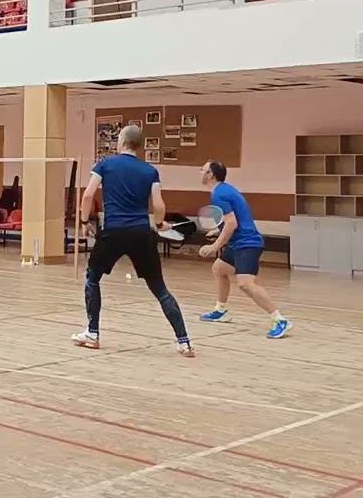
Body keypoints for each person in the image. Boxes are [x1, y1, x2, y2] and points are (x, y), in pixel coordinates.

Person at [74, 125, 194, 357]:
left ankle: (92, 333)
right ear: (139, 145)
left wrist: (84, 221)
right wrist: (159, 223)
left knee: (92, 278)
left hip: (113, 232)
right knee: (159, 288)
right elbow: (158, 204)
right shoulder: (150, 171)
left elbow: (88, 195)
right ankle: (184, 342)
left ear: (121, 141)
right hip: (141, 232)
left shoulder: (105, 164)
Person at [197, 160, 291, 338]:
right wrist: (218, 230)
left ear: (211, 175)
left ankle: (279, 319)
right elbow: (234, 219)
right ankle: (220, 311)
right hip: (237, 242)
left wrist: (215, 246)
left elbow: (231, 224)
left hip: (247, 243)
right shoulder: (225, 190)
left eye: (203, 170)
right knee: (219, 269)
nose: (200, 172)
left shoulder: (219, 194)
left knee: (245, 284)